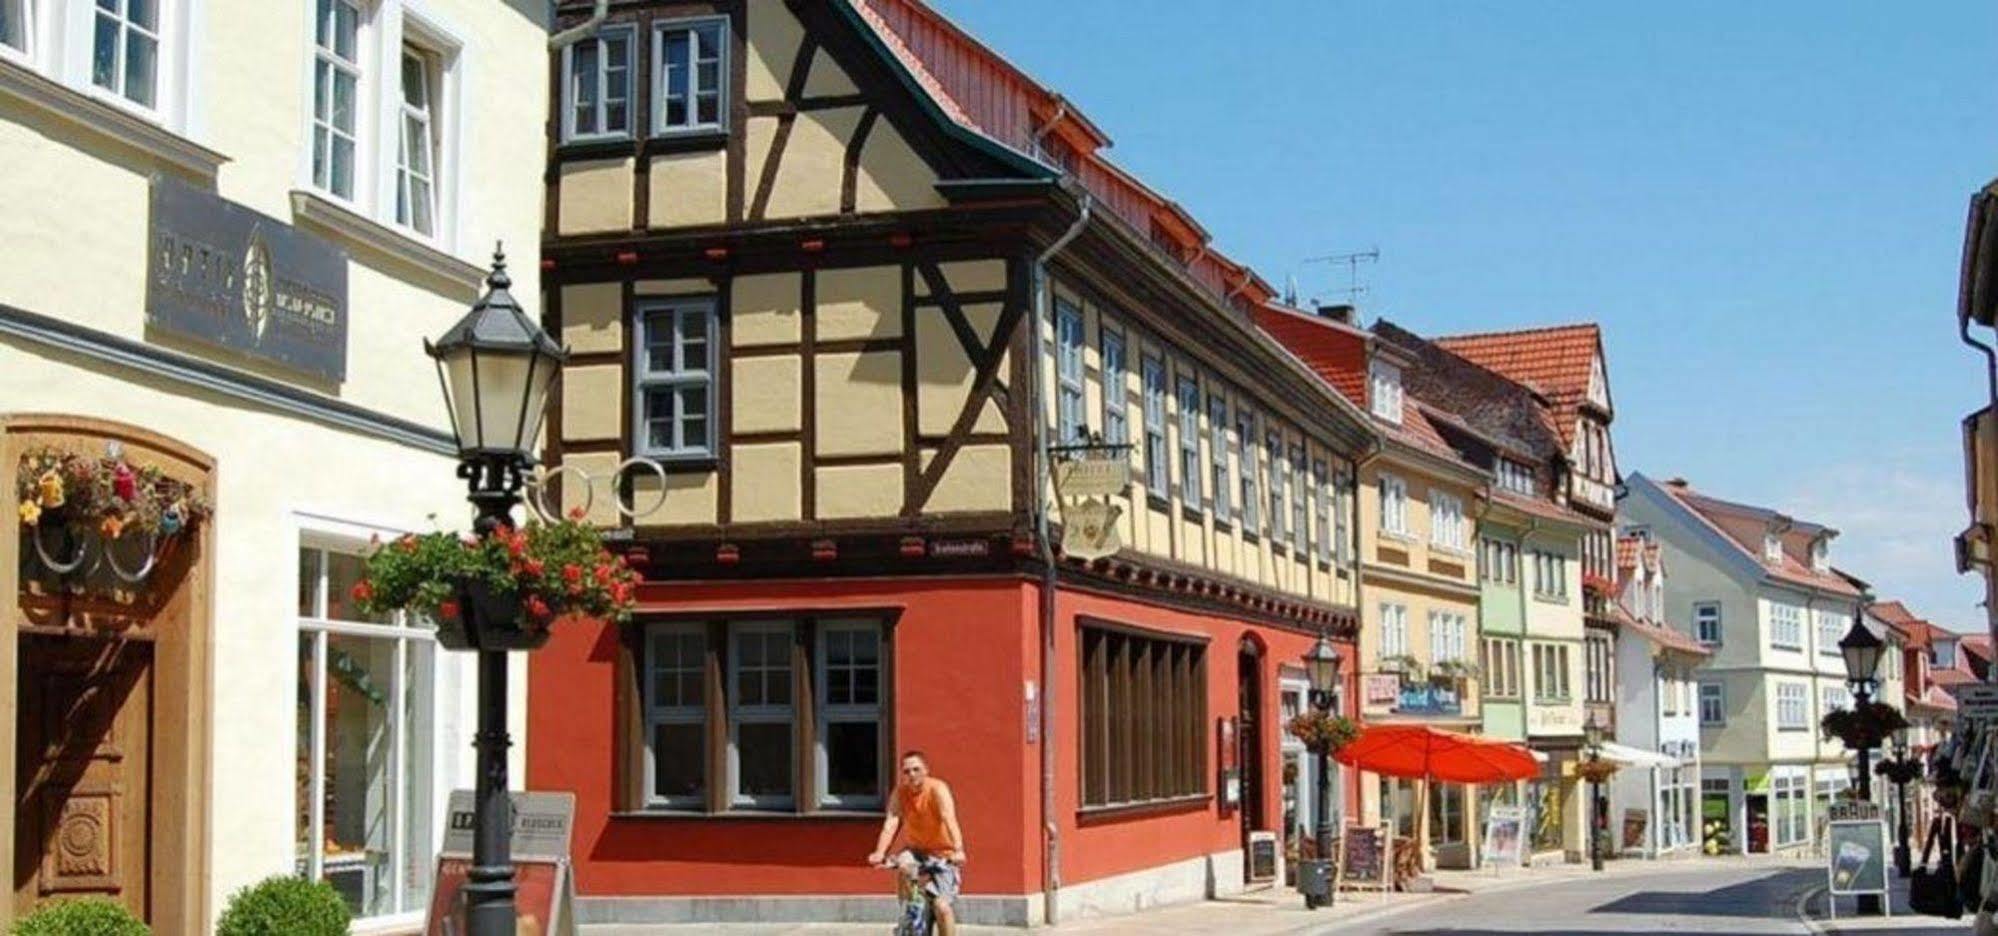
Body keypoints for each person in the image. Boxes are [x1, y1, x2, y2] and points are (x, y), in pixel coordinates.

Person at [868, 751, 966, 935]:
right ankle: (909, 908)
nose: (911, 775)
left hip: (942, 855)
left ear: (926, 771)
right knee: (904, 865)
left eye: (916, 769)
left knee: (942, 908)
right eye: (906, 771)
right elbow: (891, 822)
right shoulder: (900, 793)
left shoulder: (937, 789)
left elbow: (948, 818)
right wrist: (879, 852)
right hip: (916, 851)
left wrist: (958, 849)